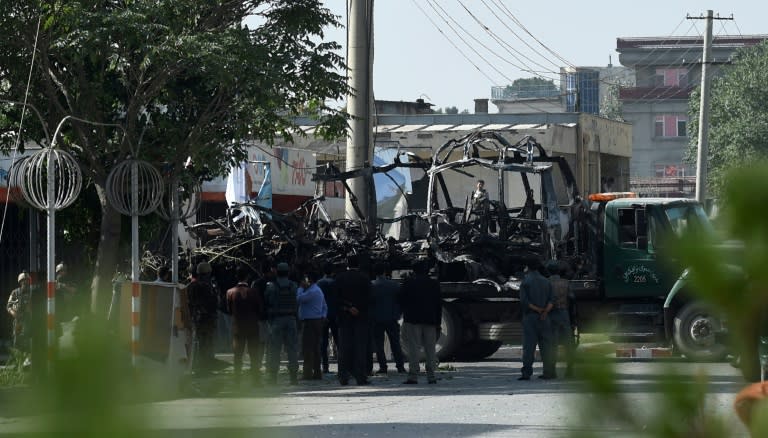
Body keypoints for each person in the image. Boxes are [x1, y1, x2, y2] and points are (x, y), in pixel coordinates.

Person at [400, 261, 442, 385]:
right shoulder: (434, 284)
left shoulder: (408, 283)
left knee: (414, 348)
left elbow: (400, 299)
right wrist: (438, 323)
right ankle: (431, 376)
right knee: (430, 349)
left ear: (414, 271)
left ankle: (413, 376)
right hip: (430, 319)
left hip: (412, 319)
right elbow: (438, 304)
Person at [334, 254, 371, 386]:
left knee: (344, 348)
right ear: (358, 265)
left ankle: (343, 376)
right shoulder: (365, 278)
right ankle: (361, 377)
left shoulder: (340, 278)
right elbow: (369, 298)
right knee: (360, 348)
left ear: (347, 264)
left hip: (344, 317)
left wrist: (348, 307)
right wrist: (357, 308)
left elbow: (336, 298)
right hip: (361, 317)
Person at [226, 265, 264, 386]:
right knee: (254, 354)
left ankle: (237, 381)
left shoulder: (230, 292)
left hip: (238, 327)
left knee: (238, 355)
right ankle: (256, 380)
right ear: (247, 277)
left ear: (236, 277)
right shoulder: (254, 292)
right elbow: (260, 310)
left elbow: (229, 310)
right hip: (253, 327)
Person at [519, 260, 555, 380]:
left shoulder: (525, 282)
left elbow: (525, 302)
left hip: (530, 317)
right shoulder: (546, 281)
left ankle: (526, 373)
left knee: (529, 346)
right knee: (546, 346)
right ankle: (548, 372)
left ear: (528, 267)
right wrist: (544, 312)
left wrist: (538, 310)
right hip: (545, 318)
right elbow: (551, 300)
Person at [264, 262, 299, 385]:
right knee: (292, 349)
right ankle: (293, 378)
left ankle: (273, 378)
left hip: (276, 320)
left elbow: (267, 301)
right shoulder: (294, 286)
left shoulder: (271, 286)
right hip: (291, 319)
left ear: (276, 272)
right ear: (288, 272)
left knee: (274, 349)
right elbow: (297, 302)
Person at [370, 263, 406, 375]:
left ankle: (383, 367)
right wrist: (398, 313)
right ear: (385, 272)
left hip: (377, 318)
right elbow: (400, 301)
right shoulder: (394, 285)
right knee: (395, 343)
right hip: (391, 317)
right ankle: (400, 366)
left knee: (379, 344)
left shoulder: (372, 285)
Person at [187, 262, 219, 375]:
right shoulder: (207, 286)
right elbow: (214, 303)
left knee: (198, 344)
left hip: (195, 319)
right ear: (207, 273)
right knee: (206, 344)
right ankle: (204, 368)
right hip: (206, 320)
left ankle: (197, 367)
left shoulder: (191, 286)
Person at [547, 261, 576, 378]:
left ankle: (552, 370)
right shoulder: (565, 282)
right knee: (568, 343)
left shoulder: (546, 282)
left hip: (551, 313)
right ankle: (569, 369)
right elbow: (572, 299)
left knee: (552, 343)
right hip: (564, 313)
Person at [297, 270, 327, 380]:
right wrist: (322, 316)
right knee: (315, 348)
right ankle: (317, 372)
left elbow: (299, 299)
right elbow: (325, 306)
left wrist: (300, 288)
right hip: (317, 320)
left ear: (309, 280)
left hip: (310, 322)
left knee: (307, 348)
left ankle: (307, 373)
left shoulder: (311, 291)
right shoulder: (318, 290)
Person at [317, 263, 339, 374]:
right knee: (338, 341)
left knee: (323, 341)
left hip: (322, 315)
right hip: (335, 314)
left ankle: (325, 366)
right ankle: (342, 365)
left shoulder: (319, 283)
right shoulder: (336, 283)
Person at [7, 272, 33, 353]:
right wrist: (14, 313)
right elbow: (9, 306)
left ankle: (28, 360)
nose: (25, 282)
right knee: (17, 341)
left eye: (27, 280)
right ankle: (19, 360)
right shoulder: (15, 292)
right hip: (18, 320)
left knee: (29, 340)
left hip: (29, 320)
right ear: (20, 281)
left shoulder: (33, 292)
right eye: (23, 280)